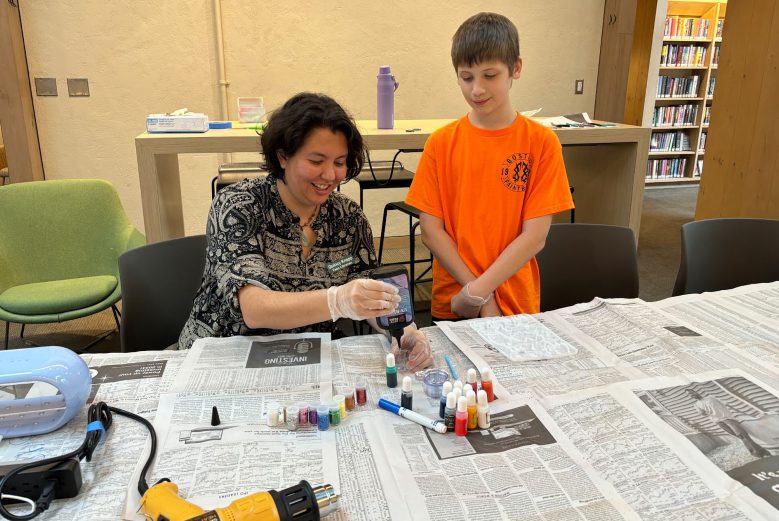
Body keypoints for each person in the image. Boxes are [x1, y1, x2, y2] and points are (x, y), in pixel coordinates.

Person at [179, 92, 432, 370]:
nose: (330, 175)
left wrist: (402, 331)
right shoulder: (240, 206)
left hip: (307, 356)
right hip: (227, 355)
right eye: (316, 161)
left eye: (339, 162)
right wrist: (337, 301)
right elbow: (253, 308)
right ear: (283, 156)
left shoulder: (347, 217)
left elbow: (367, 290)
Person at [405, 12, 574, 321]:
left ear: (516, 68)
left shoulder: (541, 143)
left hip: (515, 302)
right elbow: (431, 231)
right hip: (455, 301)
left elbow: (535, 236)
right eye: (466, 77)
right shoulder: (441, 143)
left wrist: (480, 291)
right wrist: (477, 295)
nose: (477, 89)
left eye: (490, 75)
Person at [687, 389, 771, 458]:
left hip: (728, 418)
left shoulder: (711, 397)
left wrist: (737, 413)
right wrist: (706, 412)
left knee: (743, 435)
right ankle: (754, 452)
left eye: (691, 393)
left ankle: (760, 452)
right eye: (689, 395)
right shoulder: (696, 405)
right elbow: (702, 414)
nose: (691, 395)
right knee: (739, 437)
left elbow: (726, 404)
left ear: (695, 391)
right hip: (718, 422)